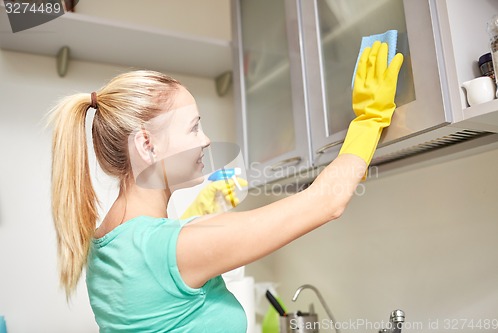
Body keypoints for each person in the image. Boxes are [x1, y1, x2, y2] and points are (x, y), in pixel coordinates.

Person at [48, 41, 403, 332]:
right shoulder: (173, 247)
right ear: (146, 145)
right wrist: (369, 121)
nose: (206, 140)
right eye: (193, 127)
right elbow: (327, 202)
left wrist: (198, 214)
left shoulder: (105, 240)